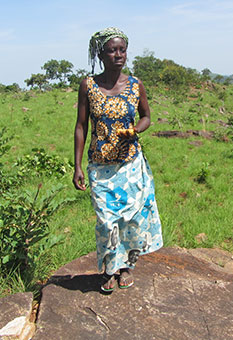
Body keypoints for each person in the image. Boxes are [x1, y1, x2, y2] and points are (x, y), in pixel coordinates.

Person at [73, 27, 163, 292]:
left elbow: (146, 116)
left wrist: (135, 130)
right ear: (101, 54)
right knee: (107, 220)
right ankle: (110, 267)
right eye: (112, 50)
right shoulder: (88, 86)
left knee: (132, 220)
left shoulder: (135, 85)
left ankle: (125, 268)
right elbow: (81, 127)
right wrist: (77, 165)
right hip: (100, 167)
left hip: (130, 165)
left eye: (122, 49)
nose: (118, 55)